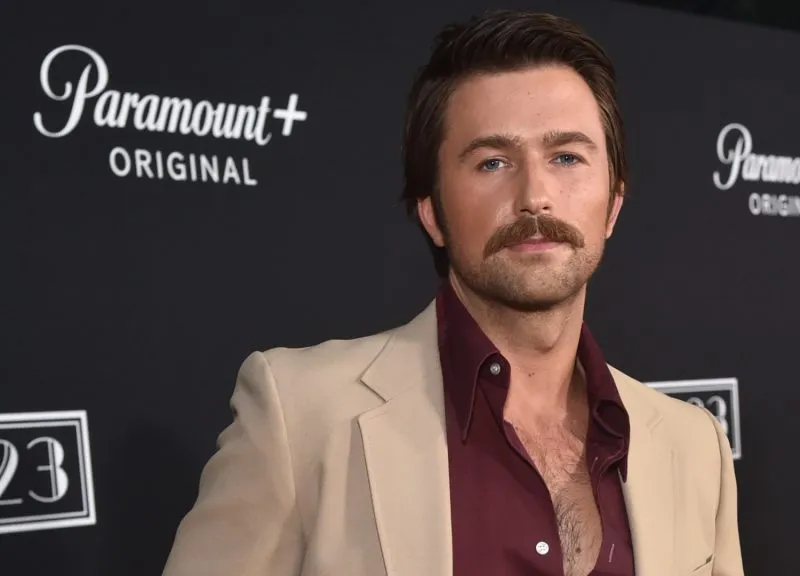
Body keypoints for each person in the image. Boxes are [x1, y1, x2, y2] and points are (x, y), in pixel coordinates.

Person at [162, 9, 743, 576]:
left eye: (567, 157)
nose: (535, 196)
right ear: (432, 213)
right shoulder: (299, 417)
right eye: (492, 162)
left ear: (613, 204)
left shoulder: (695, 447)